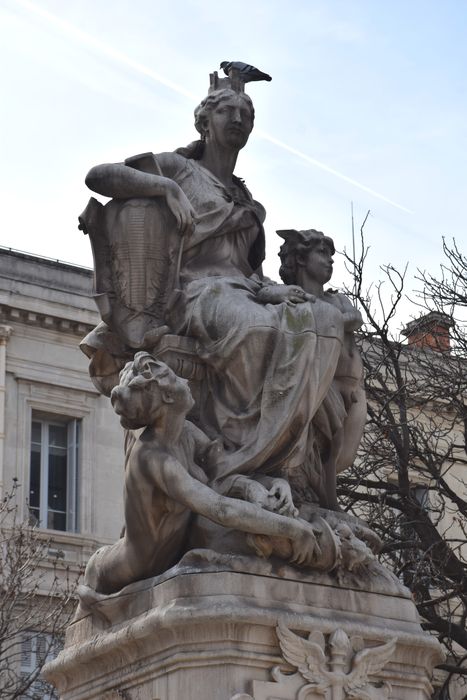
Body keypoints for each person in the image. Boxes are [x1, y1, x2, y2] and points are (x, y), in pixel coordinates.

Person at [84, 83, 347, 508]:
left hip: (242, 289)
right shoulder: (180, 170)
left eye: (247, 113)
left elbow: (247, 269)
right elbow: (99, 176)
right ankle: (237, 457)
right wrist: (164, 189)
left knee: (323, 320)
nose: (239, 118)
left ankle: (283, 456)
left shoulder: (245, 197)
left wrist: (275, 289)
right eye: (228, 110)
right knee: (258, 326)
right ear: (205, 122)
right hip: (192, 292)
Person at [83, 353, 338, 595]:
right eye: (175, 378)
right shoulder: (154, 458)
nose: (184, 380)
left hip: (166, 552)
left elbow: (223, 469)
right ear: (169, 397)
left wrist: (271, 484)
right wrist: (293, 529)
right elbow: (220, 509)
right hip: (115, 571)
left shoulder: (185, 433)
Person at [278, 229, 366, 510]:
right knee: (329, 443)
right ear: (301, 259)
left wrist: (330, 317)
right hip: (323, 381)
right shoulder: (292, 298)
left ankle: (324, 497)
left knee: (345, 454)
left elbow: (354, 319)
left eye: (331, 256)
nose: (330, 262)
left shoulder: (335, 300)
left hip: (353, 386)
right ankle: (328, 503)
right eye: (323, 254)